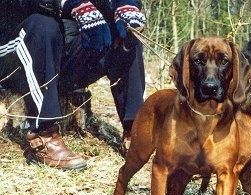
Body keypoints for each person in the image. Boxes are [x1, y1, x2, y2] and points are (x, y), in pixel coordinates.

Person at [0, 0, 146, 170]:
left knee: (127, 33)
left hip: (57, 58)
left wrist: (125, 5)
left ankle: (135, 131)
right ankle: (44, 136)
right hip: (13, 49)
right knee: (43, 26)